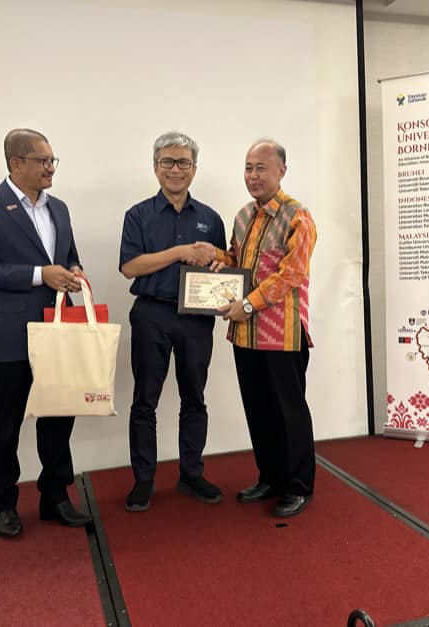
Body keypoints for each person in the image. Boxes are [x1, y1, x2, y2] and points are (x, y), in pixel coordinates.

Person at [0, 128, 92, 538]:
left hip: (59, 331)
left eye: (53, 160)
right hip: (11, 336)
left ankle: (56, 496)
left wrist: (74, 271)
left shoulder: (60, 208)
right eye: (43, 161)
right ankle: (3, 503)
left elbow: (67, 256)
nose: (51, 168)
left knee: (58, 418)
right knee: (4, 424)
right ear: (16, 163)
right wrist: (39, 275)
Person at [118, 131, 227, 512]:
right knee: (144, 400)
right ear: (155, 167)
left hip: (197, 318)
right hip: (151, 314)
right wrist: (180, 251)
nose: (175, 169)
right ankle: (143, 480)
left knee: (194, 397)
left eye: (183, 162)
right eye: (168, 162)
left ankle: (191, 473)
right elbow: (130, 267)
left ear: (194, 169)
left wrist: (220, 262)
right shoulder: (138, 215)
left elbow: (223, 263)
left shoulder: (210, 218)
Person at [215, 139, 317, 518]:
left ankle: (299, 486)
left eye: (261, 168)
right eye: (248, 168)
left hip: (282, 334)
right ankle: (270, 478)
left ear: (281, 171)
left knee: (290, 413)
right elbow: (237, 261)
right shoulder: (243, 216)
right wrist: (217, 259)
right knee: (257, 410)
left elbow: (291, 275)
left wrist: (246, 304)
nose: (253, 175)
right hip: (245, 334)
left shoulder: (298, 217)